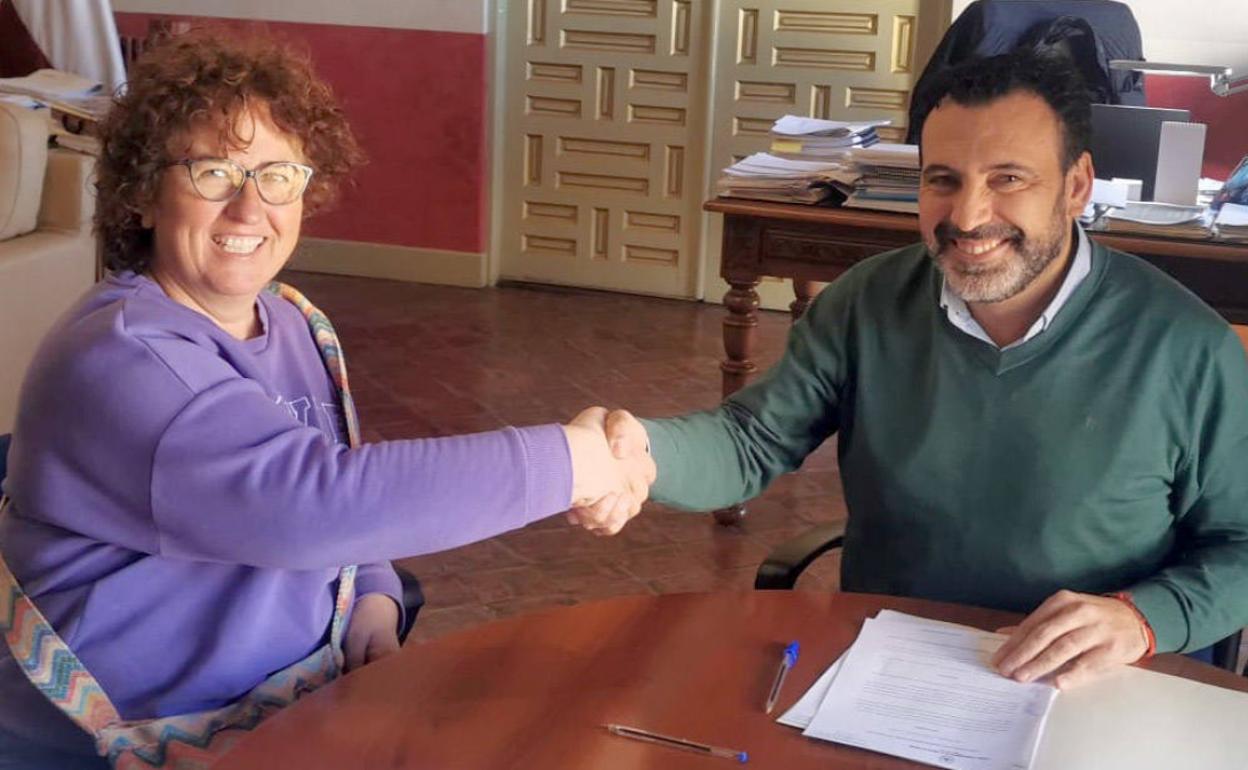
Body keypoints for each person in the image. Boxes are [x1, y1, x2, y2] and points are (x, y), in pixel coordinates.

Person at [0, 31, 652, 769]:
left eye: (278, 175)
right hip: (120, 743)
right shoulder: (124, 358)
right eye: (214, 172)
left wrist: (371, 591)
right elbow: (312, 501)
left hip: (272, 709)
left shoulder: (290, 321)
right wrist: (575, 461)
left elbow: (342, 481)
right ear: (145, 193)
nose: (250, 208)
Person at [592, 50, 1248, 690]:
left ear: (1076, 186)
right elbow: (750, 439)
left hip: (1096, 685)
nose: (967, 217)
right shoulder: (867, 301)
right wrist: (641, 452)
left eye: (1007, 179)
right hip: (896, 671)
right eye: (943, 180)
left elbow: (1240, 544)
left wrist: (1142, 619)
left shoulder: (1187, 347)